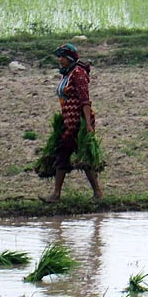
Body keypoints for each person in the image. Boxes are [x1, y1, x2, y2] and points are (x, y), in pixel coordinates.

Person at [45, 43, 103, 202]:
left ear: (70, 58)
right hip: (68, 121)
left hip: (79, 122)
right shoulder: (67, 73)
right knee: (80, 156)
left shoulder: (78, 73)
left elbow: (84, 100)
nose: (60, 60)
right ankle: (97, 193)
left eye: (62, 57)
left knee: (66, 153)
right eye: (59, 57)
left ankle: (57, 195)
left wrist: (88, 126)